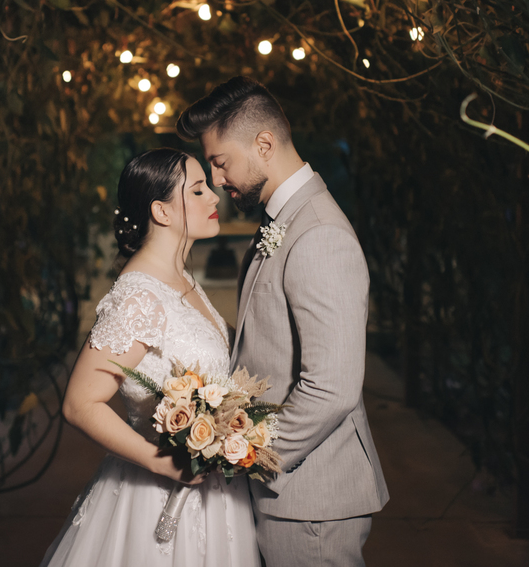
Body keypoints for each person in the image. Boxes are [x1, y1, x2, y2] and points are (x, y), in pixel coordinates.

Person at [177, 77, 389, 567]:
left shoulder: (318, 234)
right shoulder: (286, 220)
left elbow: (332, 388)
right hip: (292, 497)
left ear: (264, 144)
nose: (215, 179)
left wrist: (246, 454)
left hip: (311, 501)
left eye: (220, 161)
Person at [41, 148, 261, 566]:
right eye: (197, 190)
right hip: (159, 494)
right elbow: (79, 403)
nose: (214, 197)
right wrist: (164, 463)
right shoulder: (139, 297)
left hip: (218, 497)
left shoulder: (181, 279)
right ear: (161, 211)